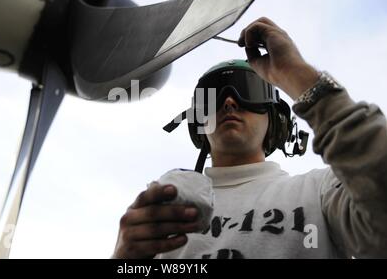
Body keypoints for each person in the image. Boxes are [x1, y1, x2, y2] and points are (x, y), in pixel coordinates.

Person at [112, 17, 387, 259]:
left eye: (249, 91)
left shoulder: (321, 191)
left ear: (276, 120)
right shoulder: (159, 216)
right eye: (211, 97)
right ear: (198, 120)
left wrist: (296, 74)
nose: (229, 102)